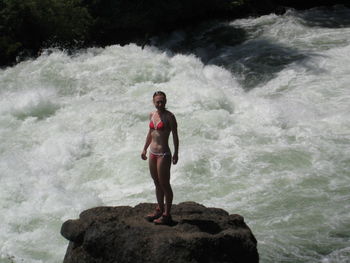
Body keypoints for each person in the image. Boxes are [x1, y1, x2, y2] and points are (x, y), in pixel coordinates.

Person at [141, 91, 179, 225]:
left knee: (165, 184)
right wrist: (144, 148)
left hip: (163, 154)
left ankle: (167, 214)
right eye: (157, 101)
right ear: (153, 102)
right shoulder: (152, 115)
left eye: (162, 101)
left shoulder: (170, 117)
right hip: (152, 152)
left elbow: (175, 135)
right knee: (156, 183)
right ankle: (159, 209)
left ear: (166, 101)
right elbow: (150, 133)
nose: (160, 104)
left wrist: (176, 153)